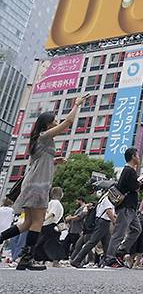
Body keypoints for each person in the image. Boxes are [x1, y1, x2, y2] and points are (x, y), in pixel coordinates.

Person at [0, 97, 85, 270]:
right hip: (39, 185)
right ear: (46, 125)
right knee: (37, 222)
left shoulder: (38, 140)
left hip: (33, 183)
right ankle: (26, 259)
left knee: (26, 224)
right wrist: (77, 104)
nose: (55, 123)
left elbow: (37, 164)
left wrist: (54, 161)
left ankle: (10, 245)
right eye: (53, 121)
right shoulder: (45, 136)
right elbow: (68, 122)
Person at [105, 147, 142, 268]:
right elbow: (135, 187)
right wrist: (140, 182)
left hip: (130, 207)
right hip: (125, 207)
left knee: (137, 229)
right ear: (133, 157)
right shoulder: (129, 171)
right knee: (119, 233)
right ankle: (110, 258)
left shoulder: (130, 171)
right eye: (137, 155)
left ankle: (121, 250)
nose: (139, 157)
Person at [71, 193, 116, 268]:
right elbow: (108, 212)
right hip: (103, 222)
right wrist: (114, 221)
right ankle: (77, 260)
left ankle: (108, 260)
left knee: (106, 242)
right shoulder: (107, 200)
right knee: (93, 241)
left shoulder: (104, 199)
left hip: (103, 222)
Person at [33, 187, 67, 267]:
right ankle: (55, 261)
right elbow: (52, 213)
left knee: (43, 242)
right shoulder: (56, 203)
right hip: (50, 225)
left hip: (45, 225)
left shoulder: (50, 202)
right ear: (61, 194)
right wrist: (44, 219)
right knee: (53, 243)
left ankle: (39, 259)